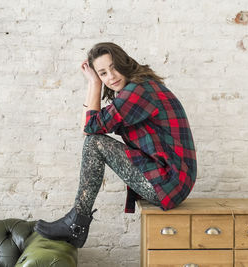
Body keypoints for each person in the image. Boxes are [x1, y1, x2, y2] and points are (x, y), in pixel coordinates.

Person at [34, 42, 197, 248]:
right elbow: (92, 125)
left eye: (113, 67)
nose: (111, 76)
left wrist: (94, 84)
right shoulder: (139, 87)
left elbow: (90, 127)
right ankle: (76, 222)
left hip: (169, 183)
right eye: (102, 73)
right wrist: (95, 81)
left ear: (123, 62)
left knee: (95, 142)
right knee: (95, 140)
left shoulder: (138, 92)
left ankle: (76, 224)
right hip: (173, 180)